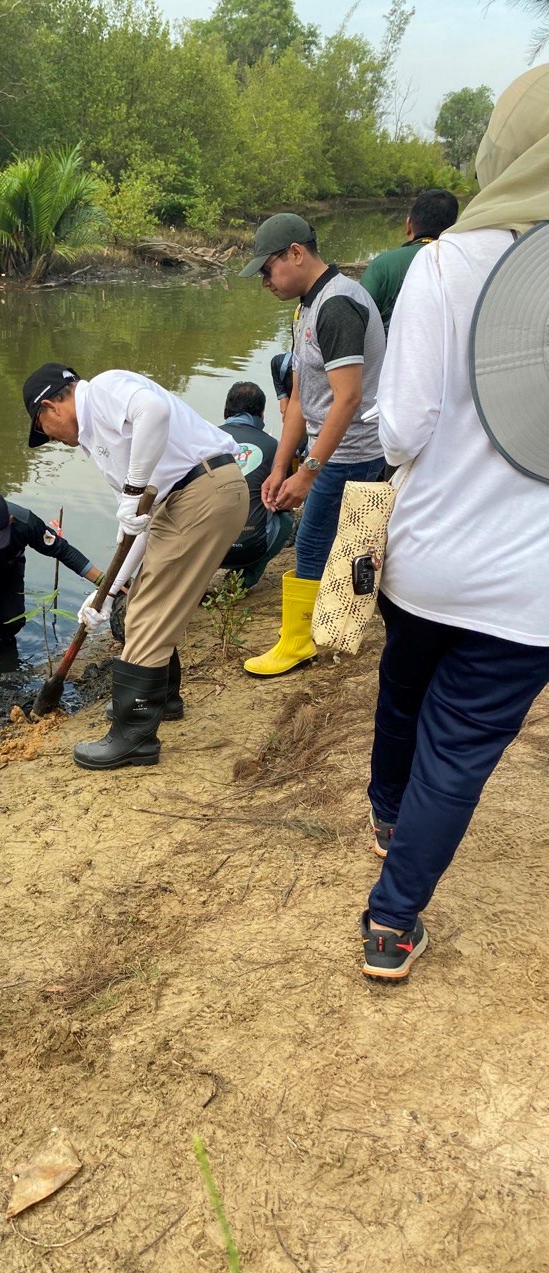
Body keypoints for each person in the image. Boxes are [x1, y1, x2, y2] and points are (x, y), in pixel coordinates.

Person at [359, 66, 549, 980]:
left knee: (404, 693)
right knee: (461, 752)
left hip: (428, 559)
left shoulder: (444, 262)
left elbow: (400, 431)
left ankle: (386, 815)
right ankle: (391, 925)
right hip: (531, 591)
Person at [23, 362, 248, 770]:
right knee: (139, 601)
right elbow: (138, 525)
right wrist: (106, 591)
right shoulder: (98, 442)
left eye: (44, 431)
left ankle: (133, 738)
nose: (53, 440)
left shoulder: (103, 390)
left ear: (50, 407)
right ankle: (162, 699)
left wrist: (132, 490)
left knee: (147, 614)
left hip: (201, 491)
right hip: (183, 501)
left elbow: (154, 412)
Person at [238, 213, 386, 677]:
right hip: (330, 448)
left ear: (296, 253)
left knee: (315, 542)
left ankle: (298, 642)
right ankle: (322, 628)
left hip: (354, 450)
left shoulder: (339, 305)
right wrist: (282, 466)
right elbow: (301, 397)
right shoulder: (308, 305)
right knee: (332, 542)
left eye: (268, 269)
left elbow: (349, 397)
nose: (264, 280)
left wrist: (310, 471)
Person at [0, 490, 104, 696]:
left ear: (9, 521)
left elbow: (62, 550)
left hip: (9, 567)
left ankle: (1, 647)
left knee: (12, 621)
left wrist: (106, 583)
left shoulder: (24, 522)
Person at [217, 381, 293, 590]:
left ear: (226, 411)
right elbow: (285, 501)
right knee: (285, 519)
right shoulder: (274, 445)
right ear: (261, 414)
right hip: (249, 548)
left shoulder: (205, 439)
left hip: (207, 549)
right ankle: (245, 578)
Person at [360, 189, 459, 333]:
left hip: (390, 352)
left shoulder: (382, 265)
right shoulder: (463, 264)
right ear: (454, 228)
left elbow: (359, 316)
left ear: (409, 224)